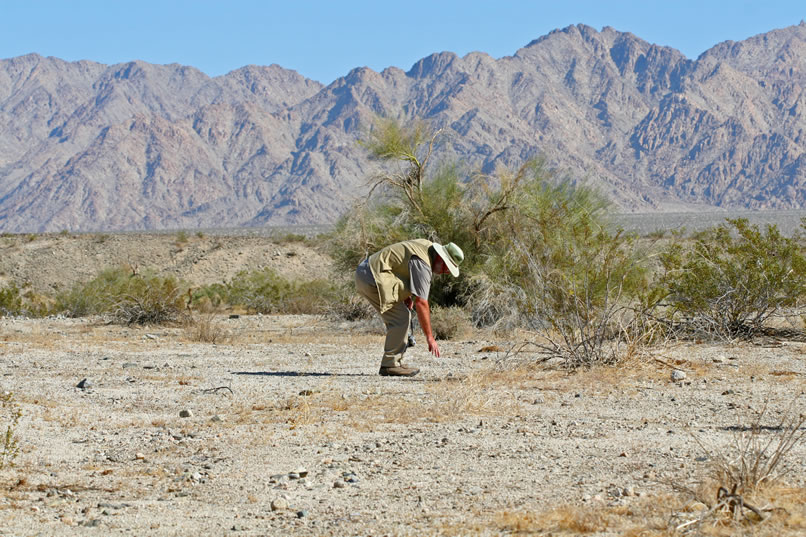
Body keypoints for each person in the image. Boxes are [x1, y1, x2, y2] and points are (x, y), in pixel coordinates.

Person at [355, 239, 464, 377]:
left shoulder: (426, 246)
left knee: (402, 316)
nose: (446, 272)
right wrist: (430, 337)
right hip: (370, 277)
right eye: (447, 268)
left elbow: (401, 266)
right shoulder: (424, 264)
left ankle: (395, 362)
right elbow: (422, 303)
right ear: (440, 258)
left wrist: (405, 296)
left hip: (368, 271)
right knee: (400, 318)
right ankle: (390, 365)